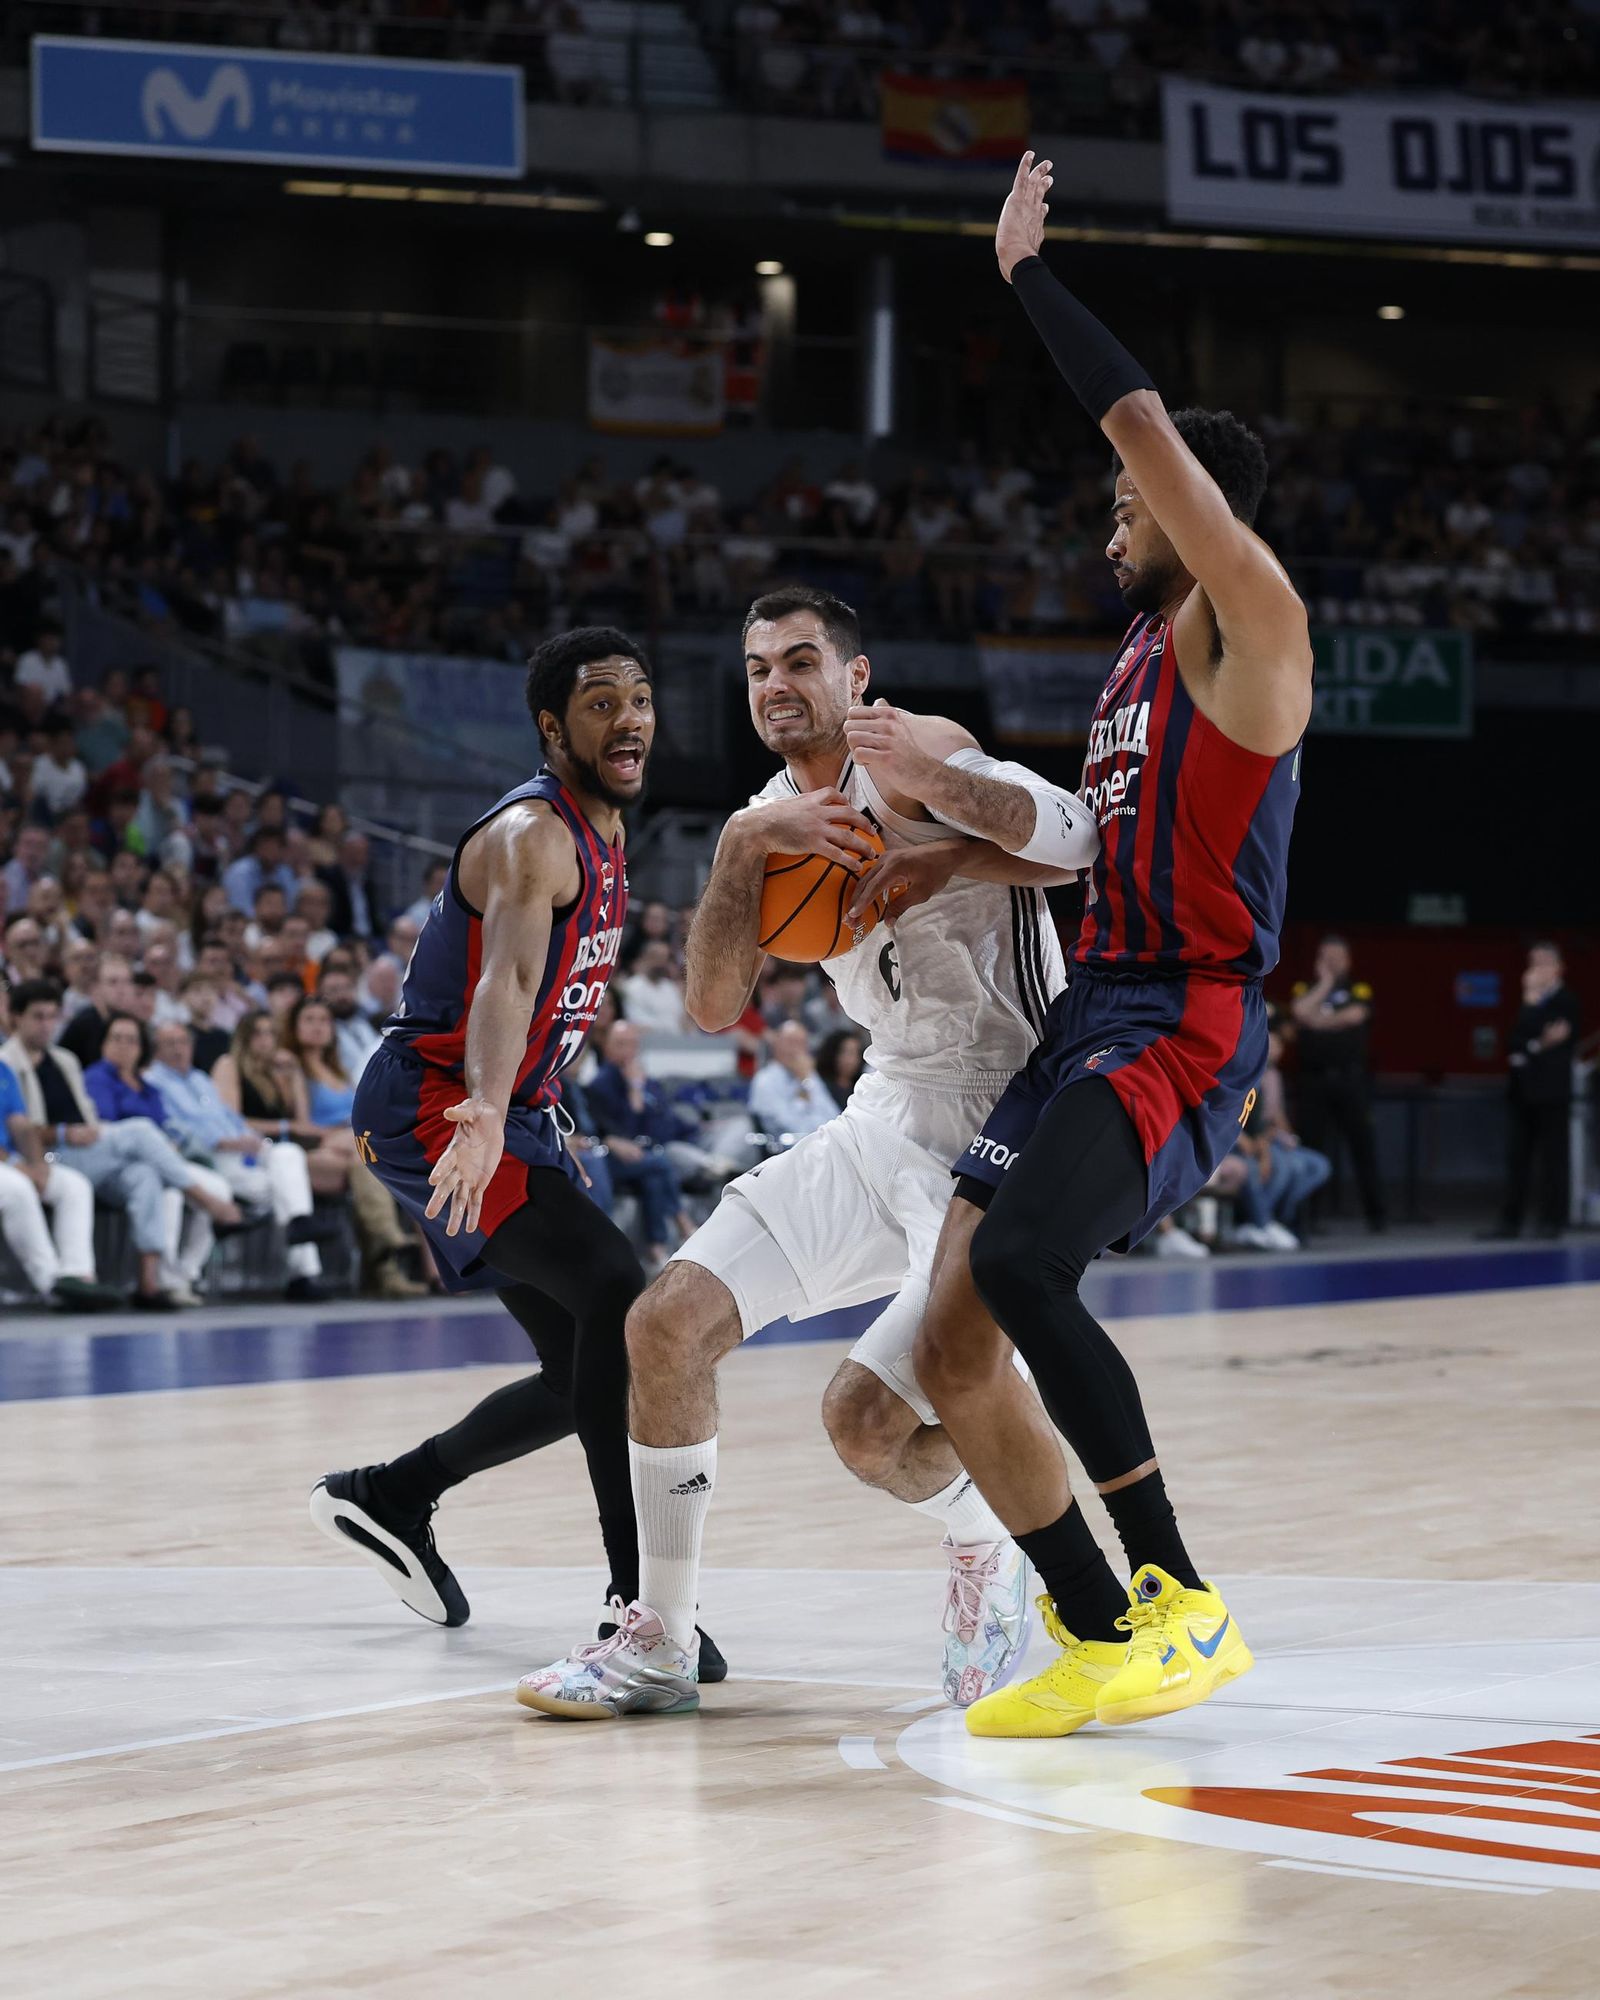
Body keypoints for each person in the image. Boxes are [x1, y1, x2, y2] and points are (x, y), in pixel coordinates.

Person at [519, 583, 1095, 1719]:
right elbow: (712, 1003)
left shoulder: (920, 746)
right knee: (662, 1320)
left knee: (865, 1424)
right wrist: (740, 847)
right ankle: (659, 1642)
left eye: (798, 662)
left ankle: (989, 1529)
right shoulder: (763, 815)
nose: (775, 686)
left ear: (855, 676)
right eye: (754, 670)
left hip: (1011, 1121)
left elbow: (1077, 840)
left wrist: (944, 821)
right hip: (884, 1107)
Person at [903, 154, 1310, 1740]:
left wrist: (1029, 282)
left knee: (1020, 1265)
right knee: (954, 1332)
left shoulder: (1250, 622)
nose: (1107, 527)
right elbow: (1096, 836)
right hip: (1093, 1011)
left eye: (1128, 509)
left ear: (1189, 511)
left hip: (1183, 1021)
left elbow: (1141, 425)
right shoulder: (1140, 651)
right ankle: (1094, 1625)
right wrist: (942, 840)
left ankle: (1181, 1599)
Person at [308, 628, 724, 1679]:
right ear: (553, 726)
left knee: (579, 1361)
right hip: (436, 1106)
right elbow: (502, 982)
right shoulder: (532, 835)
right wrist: (491, 1106)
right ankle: (638, 1602)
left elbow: (547, 1007)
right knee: (618, 1297)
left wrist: (527, 1105)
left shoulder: (605, 830)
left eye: (639, 696)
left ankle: (393, 1492)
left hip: (508, 1106)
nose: (627, 716)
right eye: (598, 702)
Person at [1, 982, 233, 1310]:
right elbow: (23, 1130)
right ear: (15, 1018)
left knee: (143, 1174)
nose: (46, 1025)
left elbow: (74, 1116)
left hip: (79, 1152)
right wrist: (58, 1140)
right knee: (138, 1132)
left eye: (52, 1017)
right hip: (51, 1152)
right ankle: (207, 1200)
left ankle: (142, 1283)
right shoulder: (8, 1062)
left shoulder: (64, 1060)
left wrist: (86, 1133)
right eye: (37, 1017)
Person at [146, 1018, 329, 1301]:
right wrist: (222, 1142)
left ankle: (299, 1226)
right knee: (289, 1191)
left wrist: (249, 1138)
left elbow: (231, 1118)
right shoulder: (153, 1081)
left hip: (243, 1155)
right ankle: (302, 1272)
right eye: (169, 1043)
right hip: (209, 1157)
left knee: (289, 1154)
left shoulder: (200, 1079)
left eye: (183, 1042)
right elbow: (172, 1128)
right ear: (156, 1049)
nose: (178, 1049)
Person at [82, 1012, 244, 1306]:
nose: (123, 1046)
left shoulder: (149, 1088)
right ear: (104, 1044)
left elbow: (169, 1126)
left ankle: (184, 1275)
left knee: (218, 1186)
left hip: (160, 1162)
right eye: (116, 1038)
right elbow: (107, 1129)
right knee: (162, 1178)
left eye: (130, 1040)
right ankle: (164, 1279)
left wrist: (176, 1143)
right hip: (115, 1162)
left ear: (141, 1047)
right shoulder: (96, 1078)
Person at [0, 1047, 119, 1310]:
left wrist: (39, 1165)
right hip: (7, 1166)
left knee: (74, 1185)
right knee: (18, 1189)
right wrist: (16, 1165)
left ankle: (77, 1275)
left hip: (14, 1161)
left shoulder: (3, 1069)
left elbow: (21, 1125)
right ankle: (51, 1284)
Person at [1290, 934, 1385, 1231]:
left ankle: (1376, 1216)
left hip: (1350, 1081)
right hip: (1313, 1082)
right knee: (1312, 1148)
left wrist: (1316, 1021)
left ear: (1347, 959)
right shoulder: (1306, 987)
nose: (1331, 961)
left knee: (1363, 1148)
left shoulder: (1359, 989)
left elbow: (1354, 1016)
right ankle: (1309, 1218)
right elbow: (1299, 1011)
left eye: (1336, 956)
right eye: (1325, 955)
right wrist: (1325, 985)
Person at [1492, 941, 1581, 1240]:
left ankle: (1552, 1221)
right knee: (1517, 1159)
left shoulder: (1566, 1001)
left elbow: (1558, 1039)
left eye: (1542, 963)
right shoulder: (1524, 1000)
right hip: (1521, 1093)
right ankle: (1510, 1221)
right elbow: (1514, 1042)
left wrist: (1530, 1010)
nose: (1535, 970)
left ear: (1558, 967)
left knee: (1553, 1159)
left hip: (1552, 1093)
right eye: (1532, 963)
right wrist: (1536, 1043)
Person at [1231, 1014, 1331, 1250]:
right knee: (1289, 1167)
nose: (1274, 1050)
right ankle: (1262, 1221)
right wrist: (1260, 1145)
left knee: (1318, 1165)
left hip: (1269, 1140)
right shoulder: (1244, 1075)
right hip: (1247, 1142)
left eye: (1278, 1046)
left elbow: (1277, 1117)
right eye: (1270, 1045)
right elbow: (1235, 1121)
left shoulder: (1275, 1076)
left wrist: (1289, 1138)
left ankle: (1267, 1218)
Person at [748, 1020, 838, 1142]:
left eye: (801, 1044)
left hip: (819, 1145)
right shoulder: (765, 1080)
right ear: (777, 1044)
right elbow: (791, 1127)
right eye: (791, 1042)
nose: (796, 1050)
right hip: (785, 1151)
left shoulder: (808, 1075)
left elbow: (834, 1116)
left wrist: (806, 1080)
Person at [815, 1027, 865, 1110]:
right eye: (847, 1053)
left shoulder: (862, 1088)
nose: (852, 1059)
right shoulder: (820, 1084)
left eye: (856, 1053)